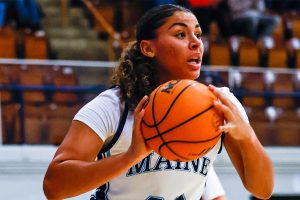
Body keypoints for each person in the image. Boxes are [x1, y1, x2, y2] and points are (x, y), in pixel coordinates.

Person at [43, 4, 274, 200]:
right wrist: (131, 156)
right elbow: (54, 186)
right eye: (181, 34)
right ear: (148, 48)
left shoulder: (221, 103)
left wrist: (248, 136)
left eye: (198, 34)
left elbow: (262, 190)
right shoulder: (113, 106)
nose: (196, 43)